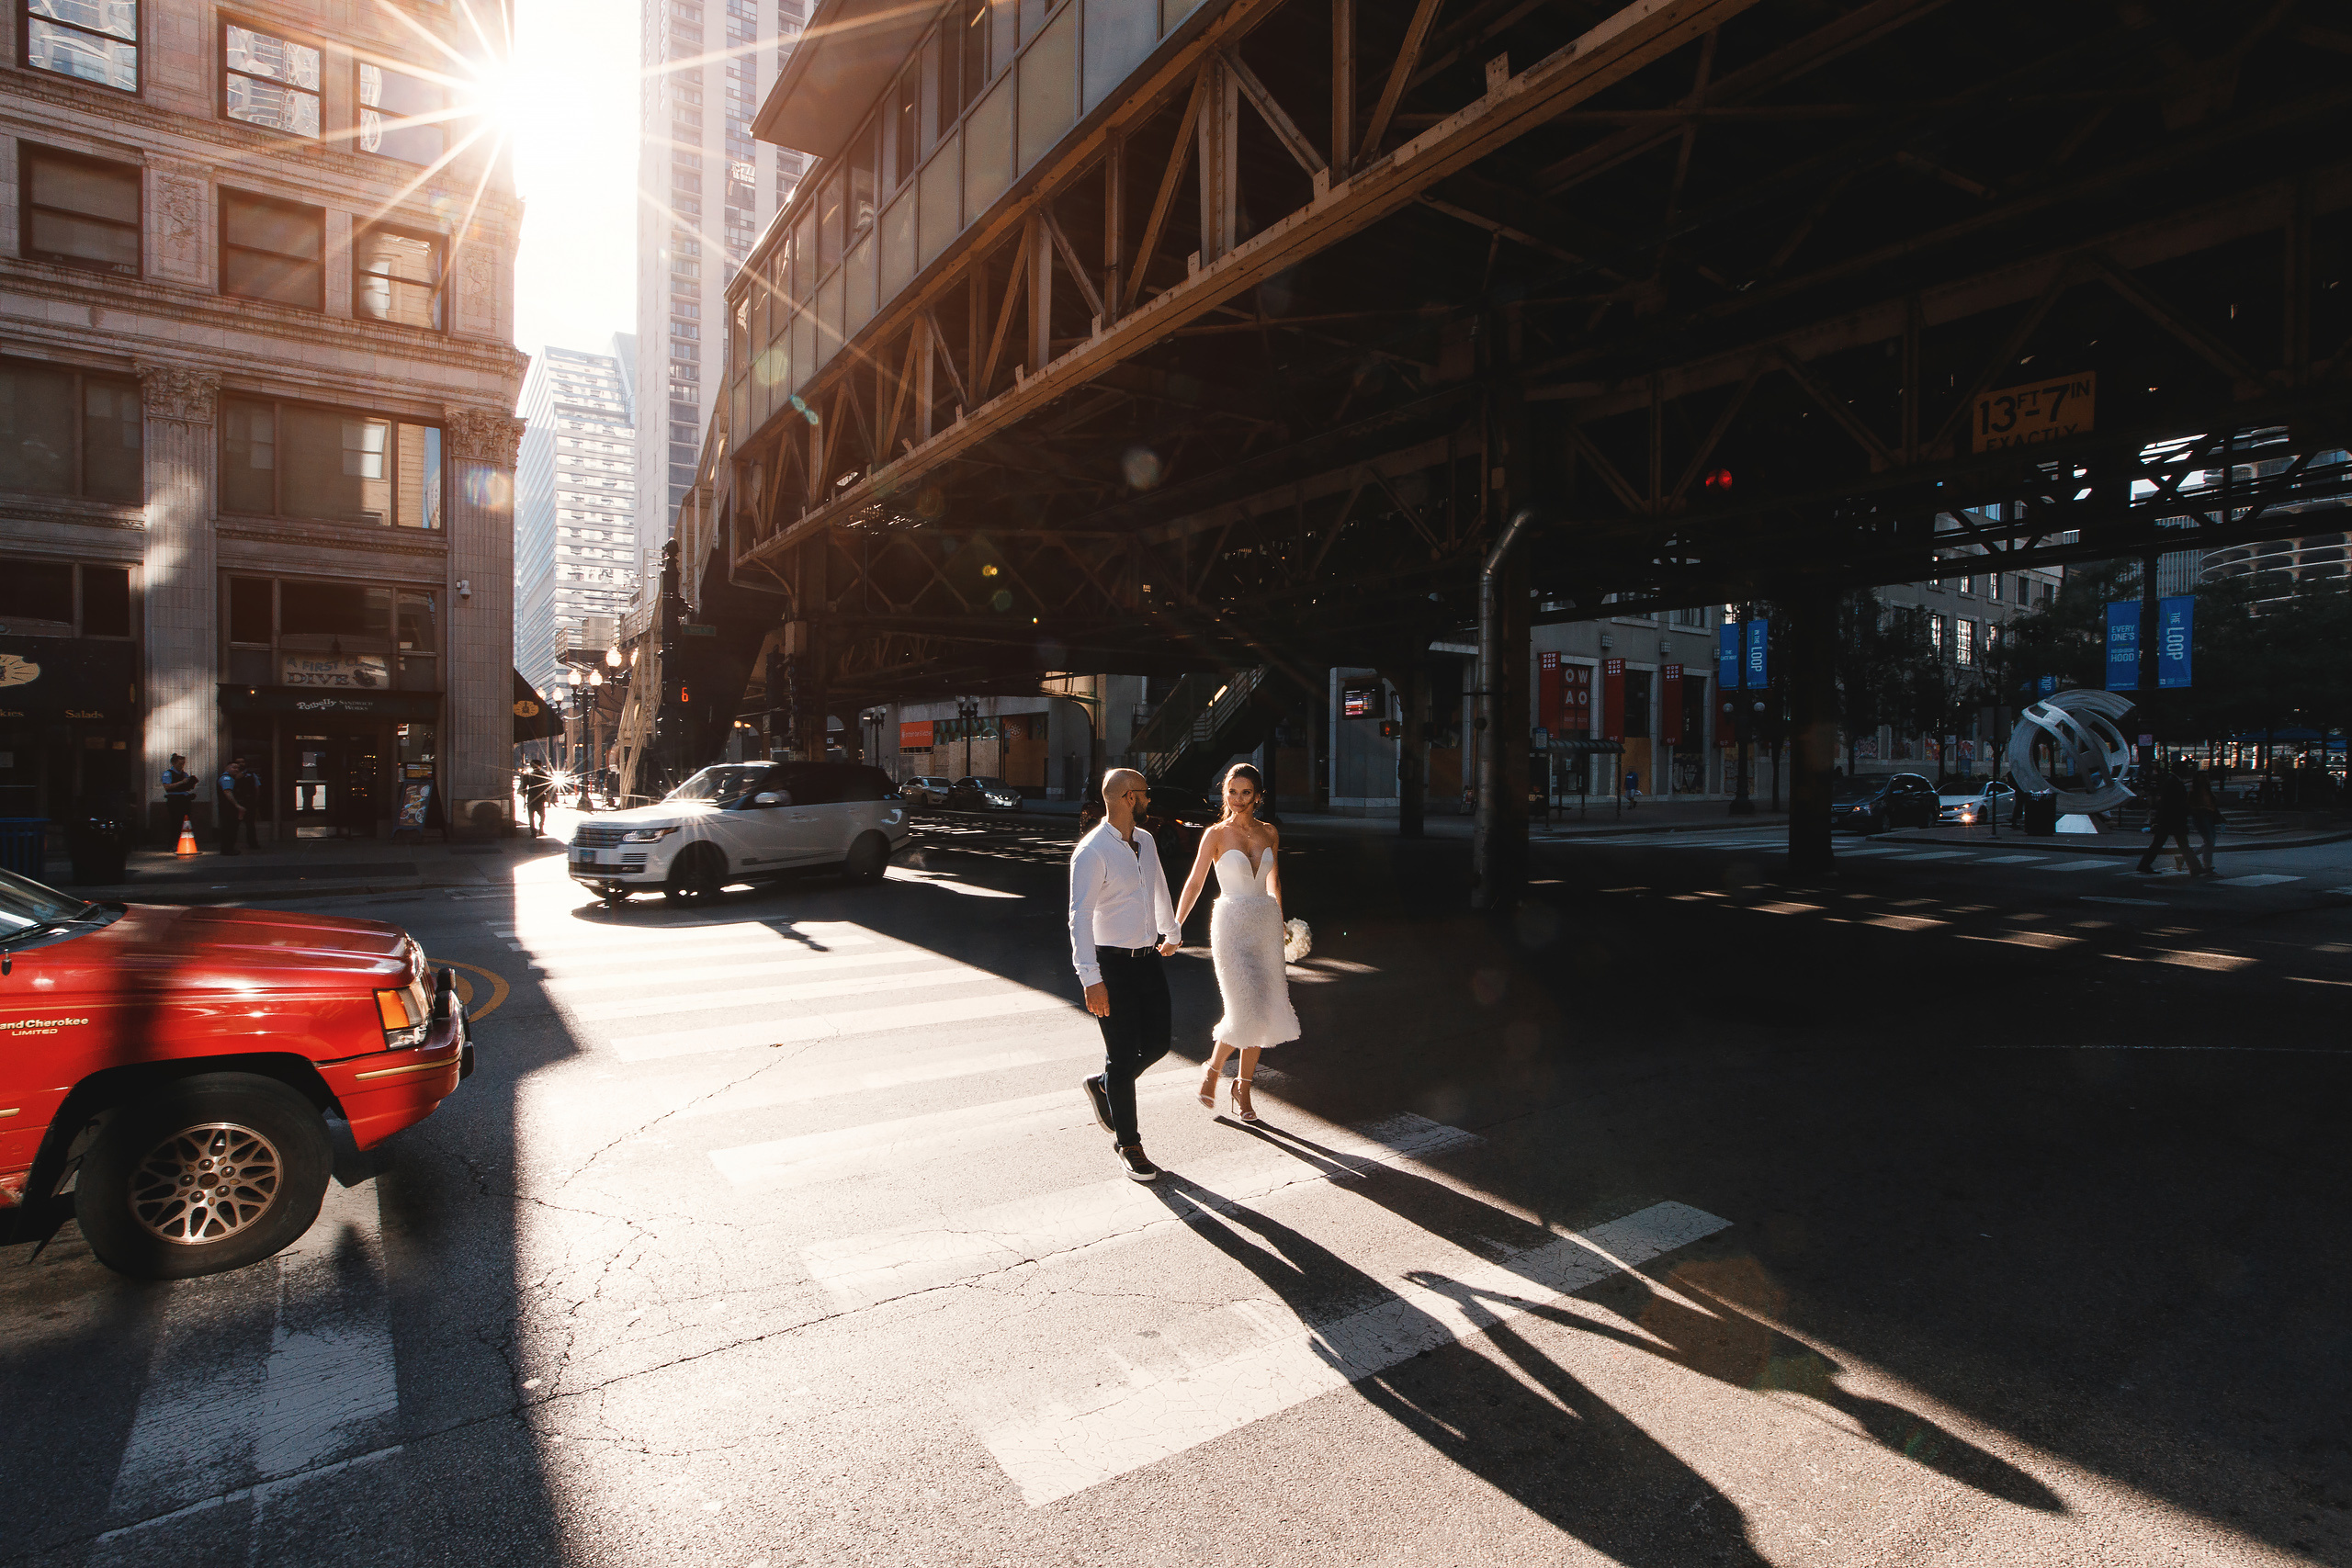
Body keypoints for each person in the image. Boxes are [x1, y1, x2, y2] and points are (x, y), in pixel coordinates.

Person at [1172, 762, 1300, 1125]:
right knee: (1243, 1006)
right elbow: (1195, 882)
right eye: (1232, 791)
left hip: (1265, 925)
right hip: (1230, 924)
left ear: (1258, 796)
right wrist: (1175, 926)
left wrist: (1281, 922)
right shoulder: (1215, 834)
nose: (1238, 799)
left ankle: (1243, 1088)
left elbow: (1275, 881)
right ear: (1224, 793)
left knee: (1262, 1006)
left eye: (1246, 793)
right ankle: (1213, 1068)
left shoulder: (1270, 832)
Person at [1070, 768, 1180, 1182]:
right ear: (1129, 797)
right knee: (1121, 1054)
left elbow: (1158, 887)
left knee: (1159, 1043)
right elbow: (1079, 918)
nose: (1150, 799)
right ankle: (1128, 1143)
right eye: (1146, 793)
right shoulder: (1092, 851)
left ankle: (1105, 1085)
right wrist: (1091, 979)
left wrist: (1171, 931)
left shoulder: (1146, 841)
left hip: (1147, 958)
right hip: (1111, 966)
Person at [2136, 760, 2209, 876]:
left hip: (2168, 819)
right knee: (2181, 845)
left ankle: (2144, 865)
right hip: (2173, 820)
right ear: (2180, 770)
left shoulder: (2171, 781)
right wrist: (2190, 811)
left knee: (2161, 844)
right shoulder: (2173, 783)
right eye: (2185, 769)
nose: (2187, 771)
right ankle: (2195, 868)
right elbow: (2175, 803)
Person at [2188, 765, 2222, 873]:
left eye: (2207, 777)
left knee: (2210, 841)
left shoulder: (2208, 791)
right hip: (2200, 817)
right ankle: (2207, 864)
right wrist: (2204, 808)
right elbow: (2191, 807)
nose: (2206, 779)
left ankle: (2191, 855)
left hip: (2209, 816)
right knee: (2209, 840)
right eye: (2204, 777)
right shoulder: (2194, 793)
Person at [161, 753, 198, 841]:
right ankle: (173, 842)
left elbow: (187, 787)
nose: (182, 766)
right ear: (174, 763)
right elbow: (167, 787)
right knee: (175, 821)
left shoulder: (184, 774)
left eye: (183, 763)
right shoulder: (168, 773)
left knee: (186, 821)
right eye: (180, 764)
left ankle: (185, 841)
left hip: (184, 799)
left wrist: (191, 783)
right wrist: (181, 782)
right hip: (174, 800)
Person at [216, 760, 247, 855]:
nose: (236, 769)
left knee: (232, 828)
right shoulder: (226, 778)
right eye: (233, 767)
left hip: (229, 808)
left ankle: (229, 848)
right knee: (229, 829)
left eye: (238, 768)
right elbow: (227, 792)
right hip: (228, 808)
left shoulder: (231, 778)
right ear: (227, 768)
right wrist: (237, 805)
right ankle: (227, 849)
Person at [232, 755, 263, 850]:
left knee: (250, 824)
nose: (241, 764)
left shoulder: (251, 775)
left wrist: (255, 801)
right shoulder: (231, 775)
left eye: (243, 762)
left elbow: (257, 788)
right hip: (237, 802)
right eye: (238, 762)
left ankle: (253, 844)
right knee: (234, 824)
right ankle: (231, 844)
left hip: (249, 802)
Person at [520, 761, 552, 836]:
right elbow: (547, 788)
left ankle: (533, 831)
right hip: (540, 798)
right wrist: (548, 800)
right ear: (540, 766)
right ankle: (541, 829)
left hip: (531, 797)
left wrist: (524, 800)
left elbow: (524, 789)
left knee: (531, 816)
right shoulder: (543, 775)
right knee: (542, 815)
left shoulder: (527, 775)